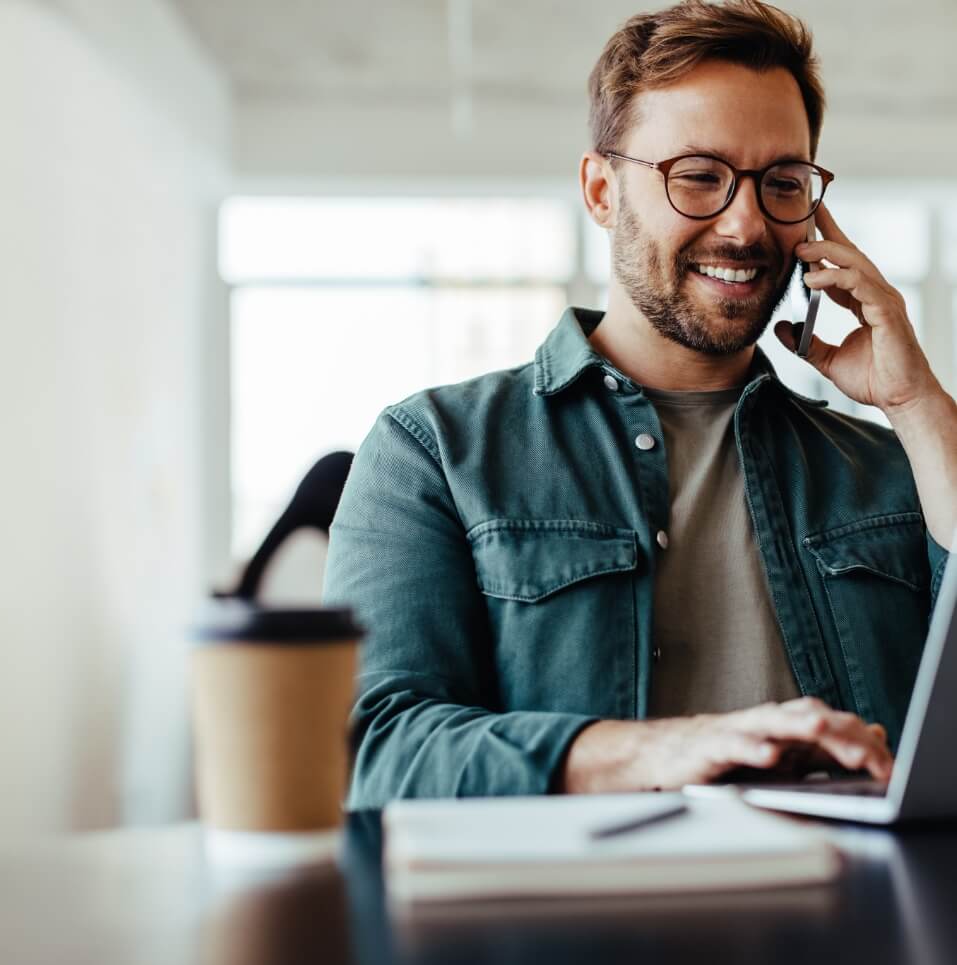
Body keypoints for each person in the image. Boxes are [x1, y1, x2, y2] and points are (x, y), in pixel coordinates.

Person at [324, 0, 956, 807]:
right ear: (599, 189)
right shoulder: (433, 449)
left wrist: (917, 403)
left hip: (856, 923)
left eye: (782, 183)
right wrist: (671, 747)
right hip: (571, 927)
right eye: (697, 176)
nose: (745, 224)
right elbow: (372, 750)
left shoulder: (890, 468)